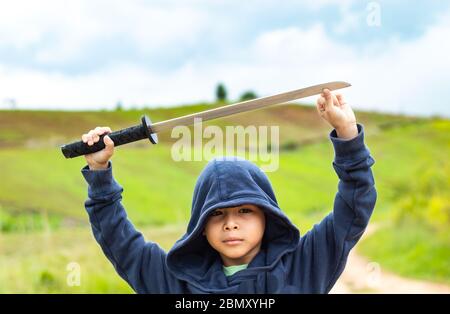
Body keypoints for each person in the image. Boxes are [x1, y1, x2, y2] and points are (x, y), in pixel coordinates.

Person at [80, 89, 377, 293]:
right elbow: (121, 243)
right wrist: (98, 172)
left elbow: (354, 206)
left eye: (245, 210)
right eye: (217, 213)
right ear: (202, 227)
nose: (230, 223)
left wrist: (348, 134)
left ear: (267, 217)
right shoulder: (176, 282)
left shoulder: (304, 266)